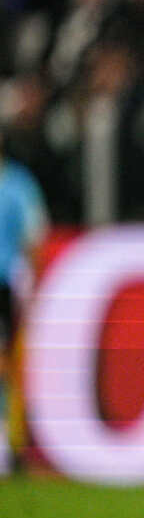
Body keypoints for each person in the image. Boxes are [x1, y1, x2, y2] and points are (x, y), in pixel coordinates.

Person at [0, 130, 48, 475]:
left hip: (4, 285)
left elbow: (34, 238)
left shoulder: (17, 185)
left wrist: (26, 278)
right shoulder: (19, 184)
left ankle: (10, 444)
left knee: (9, 364)